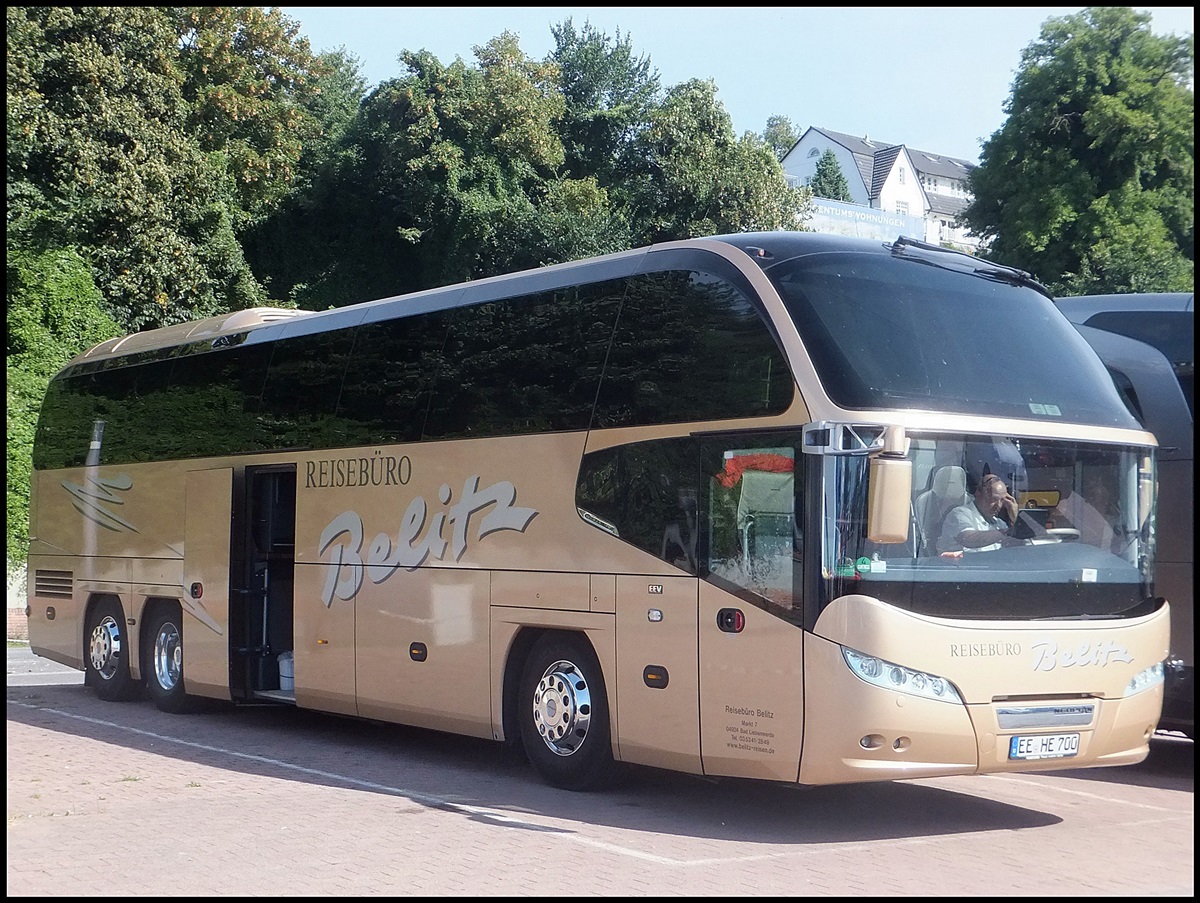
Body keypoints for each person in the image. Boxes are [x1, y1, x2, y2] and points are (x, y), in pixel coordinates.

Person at [937, 473, 1025, 554]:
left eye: (1002, 500)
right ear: (978, 493)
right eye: (994, 499)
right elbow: (968, 539)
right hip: (958, 568)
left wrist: (1014, 519)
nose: (999, 505)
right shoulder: (959, 514)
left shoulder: (999, 524)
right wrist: (1006, 533)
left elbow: (1017, 548)